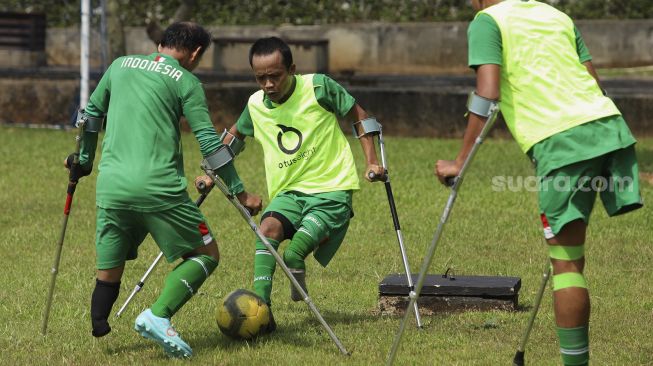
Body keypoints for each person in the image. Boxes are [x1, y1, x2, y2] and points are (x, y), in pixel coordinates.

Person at [435, 1, 643, 365]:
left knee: (566, 265)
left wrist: (459, 162)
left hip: (563, 143)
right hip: (609, 129)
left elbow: (487, 93)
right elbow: (592, 81)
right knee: (571, 257)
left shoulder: (487, 21)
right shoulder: (555, 14)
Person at [64, 22, 262, 358]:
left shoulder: (119, 65)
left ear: (160, 43)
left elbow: (91, 114)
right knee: (205, 254)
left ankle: (99, 320)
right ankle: (158, 315)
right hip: (159, 190)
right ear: (196, 52)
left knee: (111, 259)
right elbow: (210, 145)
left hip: (111, 187)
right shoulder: (187, 82)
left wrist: (83, 159)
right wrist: (242, 193)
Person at [203, 36, 384, 331]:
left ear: (292, 69)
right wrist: (210, 170)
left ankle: (297, 269)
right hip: (288, 193)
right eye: (260, 78)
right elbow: (233, 139)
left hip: (331, 188)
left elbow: (360, 118)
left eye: (275, 76)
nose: (268, 85)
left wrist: (371, 162)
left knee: (293, 252)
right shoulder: (255, 104)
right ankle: (261, 313)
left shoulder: (318, 87)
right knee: (267, 230)